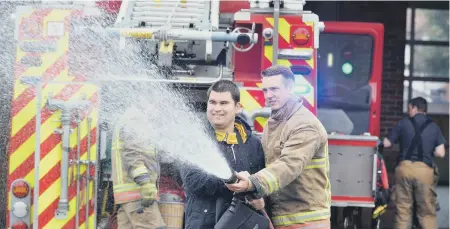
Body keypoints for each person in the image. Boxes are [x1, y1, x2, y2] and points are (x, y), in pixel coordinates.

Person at [226, 65, 331, 229]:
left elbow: (289, 165)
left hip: (306, 222)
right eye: (265, 90)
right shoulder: (273, 124)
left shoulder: (305, 125)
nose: (269, 95)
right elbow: (269, 164)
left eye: (274, 89)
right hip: (282, 218)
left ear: (290, 88)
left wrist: (253, 182)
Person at [180, 79, 266, 229]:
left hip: (242, 223)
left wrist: (260, 198)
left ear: (238, 107)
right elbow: (192, 180)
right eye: (212, 102)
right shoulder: (194, 140)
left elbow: (261, 179)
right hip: (203, 223)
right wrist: (230, 180)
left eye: (224, 103)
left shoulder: (253, 144)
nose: (216, 108)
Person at [381, 97, 446, 229]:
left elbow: (387, 143)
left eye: (409, 108)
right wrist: (430, 151)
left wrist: (379, 142)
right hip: (424, 172)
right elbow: (441, 153)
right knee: (427, 213)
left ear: (415, 108)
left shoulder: (403, 123)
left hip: (404, 169)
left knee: (403, 212)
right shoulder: (434, 127)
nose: (409, 111)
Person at [111, 107, 166, 229]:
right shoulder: (136, 119)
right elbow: (132, 154)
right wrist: (145, 183)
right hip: (139, 195)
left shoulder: (130, 118)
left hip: (129, 198)